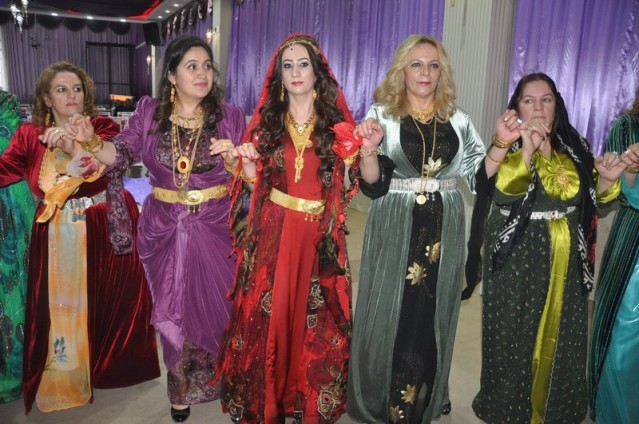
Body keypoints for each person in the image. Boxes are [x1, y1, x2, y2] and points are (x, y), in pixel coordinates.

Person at [76, 35, 246, 423]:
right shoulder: (150, 113)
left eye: (207, 66)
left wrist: (236, 162)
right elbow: (119, 153)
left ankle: (228, 380)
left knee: (220, 308)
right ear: (171, 75)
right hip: (165, 228)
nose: (202, 74)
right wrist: (90, 141)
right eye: (192, 66)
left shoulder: (230, 117)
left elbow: (247, 174)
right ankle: (181, 390)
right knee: (175, 309)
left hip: (217, 226)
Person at [214, 33, 360, 423]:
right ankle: (271, 401)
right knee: (272, 318)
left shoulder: (336, 126)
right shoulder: (266, 124)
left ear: (317, 72)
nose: (296, 72)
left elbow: (349, 186)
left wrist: (362, 153)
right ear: (279, 75)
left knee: (314, 319)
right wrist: (245, 164)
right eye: (288, 65)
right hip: (275, 232)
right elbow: (254, 186)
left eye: (303, 64)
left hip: (318, 236)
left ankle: (303, 400)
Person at [346, 34, 492, 424]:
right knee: (390, 311)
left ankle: (424, 396)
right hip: (395, 222)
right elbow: (372, 184)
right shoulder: (382, 115)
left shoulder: (459, 120)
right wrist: (368, 148)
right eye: (416, 64)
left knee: (431, 313)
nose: (425, 72)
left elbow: (480, 178)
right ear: (402, 71)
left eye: (433, 65)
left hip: (445, 226)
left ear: (442, 73)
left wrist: (500, 145)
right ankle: (381, 397)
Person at [0, 62, 160, 413]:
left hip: (102, 223)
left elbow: (101, 169)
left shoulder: (100, 127)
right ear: (46, 98)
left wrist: (76, 144)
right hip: (56, 231)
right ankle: (68, 372)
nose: (71, 95)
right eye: (61, 90)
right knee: (62, 309)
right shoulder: (29, 136)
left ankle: (107, 367)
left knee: (106, 303)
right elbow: (5, 169)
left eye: (77, 89)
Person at [470, 72, 625, 423]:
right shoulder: (508, 143)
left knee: (564, 330)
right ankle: (507, 408)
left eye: (546, 99)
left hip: (566, 252)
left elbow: (591, 202)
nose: (539, 108)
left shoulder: (574, 144)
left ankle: (558, 409)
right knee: (515, 331)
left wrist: (606, 180)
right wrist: (527, 151)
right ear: (517, 106)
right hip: (517, 251)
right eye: (529, 100)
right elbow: (502, 193)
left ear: (557, 104)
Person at [589, 87, 639, 424]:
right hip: (634, 245)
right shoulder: (627, 127)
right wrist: (631, 169)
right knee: (624, 338)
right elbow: (622, 191)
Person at [0, 90, 36, 404]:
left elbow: (12, 154)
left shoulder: (5, 103)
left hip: (9, 207)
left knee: (12, 285)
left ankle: (15, 367)